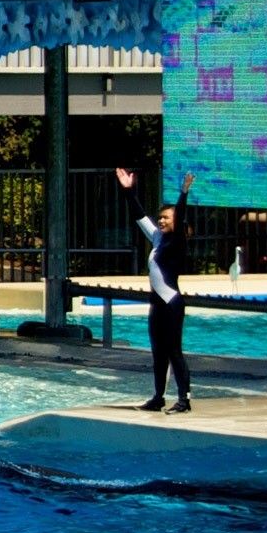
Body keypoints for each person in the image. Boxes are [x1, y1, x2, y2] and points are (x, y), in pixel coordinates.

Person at [119, 168, 196, 413]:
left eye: (166, 218)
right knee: (158, 353)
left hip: (172, 303)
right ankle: (158, 397)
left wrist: (183, 193)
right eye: (160, 218)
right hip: (157, 305)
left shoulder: (177, 242)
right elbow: (140, 216)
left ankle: (184, 400)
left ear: (178, 223)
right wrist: (128, 191)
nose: (161, 221)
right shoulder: (158, 239)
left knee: (174, 351)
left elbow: (181, 214)